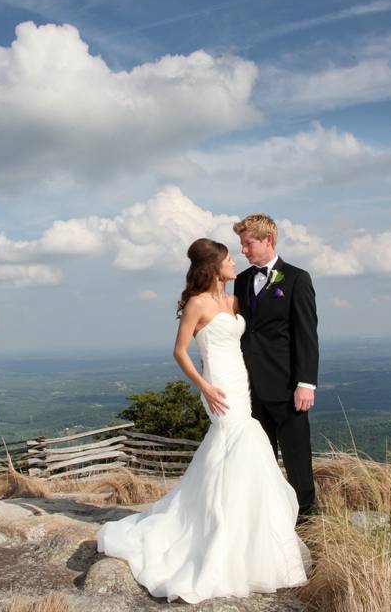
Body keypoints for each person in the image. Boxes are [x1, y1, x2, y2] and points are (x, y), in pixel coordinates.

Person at [96, 238, 308, 604]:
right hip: (219, 385)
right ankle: (220, 532)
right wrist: (205, 387)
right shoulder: (197, 303)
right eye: (228, 259)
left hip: (241, 382)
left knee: (242, 450)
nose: (234, 263)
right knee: (239, 442)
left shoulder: (234, 298)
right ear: (213, 268)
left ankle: (249, 534)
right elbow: (179, 351)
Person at [233, 214, 318, 518]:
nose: (243, 250)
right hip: (250, 388)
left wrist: (306, 382)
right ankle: (269, 518)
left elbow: (306, 334)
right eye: (241, 244)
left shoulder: (297, 278)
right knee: (261, 458)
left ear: (267, 240)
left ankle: (307, 517)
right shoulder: (241, 282)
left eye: (247, 243)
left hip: (286, 386)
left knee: (297, 456)